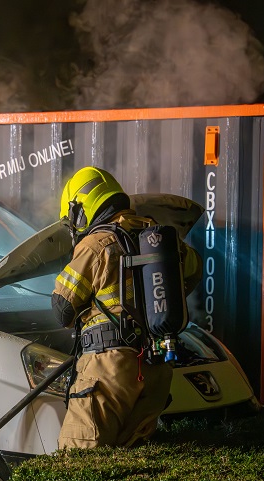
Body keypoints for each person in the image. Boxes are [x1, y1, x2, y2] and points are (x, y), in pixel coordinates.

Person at [52, 166, 201, 450]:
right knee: (130, 460)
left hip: (108, 370)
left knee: (79, 462)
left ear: (81, 210)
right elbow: (192, 272)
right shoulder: (159, 237)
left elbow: (62, 309)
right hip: (156, 369)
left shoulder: (96, 244)